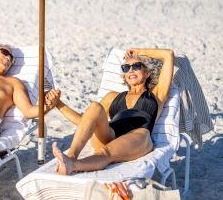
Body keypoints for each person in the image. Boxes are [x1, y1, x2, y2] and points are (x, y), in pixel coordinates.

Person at [51, 47, 174, 175]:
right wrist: (58, 104)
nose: (131, 70)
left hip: (138, 136)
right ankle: (71, 157)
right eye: (126, 68)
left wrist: (139, 52)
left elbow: (168, 55)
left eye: (136, 66)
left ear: (148, 73)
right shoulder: (112, 97)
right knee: (94, 107)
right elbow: (84, 122)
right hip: (111, 134)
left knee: (106, 153)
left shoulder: (157, 95)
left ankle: (73, 165)